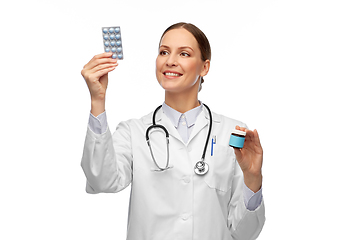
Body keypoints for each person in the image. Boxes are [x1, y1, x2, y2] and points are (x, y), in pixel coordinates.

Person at [81, 22, 265, 240]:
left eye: (184, 53)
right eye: (164, 52)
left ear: (204, 67)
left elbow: (245, 233)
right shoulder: (134, 132)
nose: (170, 61)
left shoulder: (232, 133)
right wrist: (97, 100)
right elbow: (101, 180)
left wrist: (253, 179)